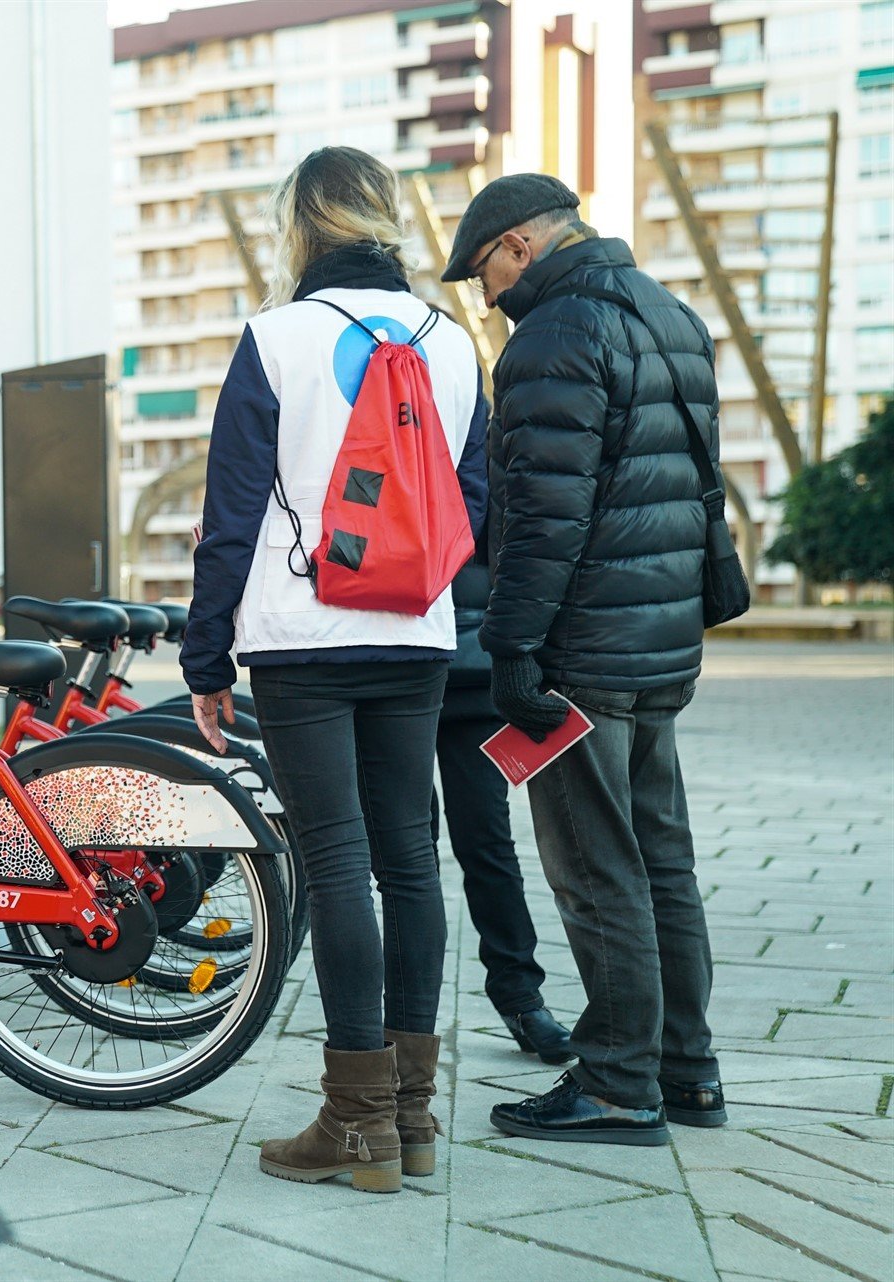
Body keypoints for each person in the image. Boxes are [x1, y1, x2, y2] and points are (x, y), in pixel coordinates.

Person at [185, 147, 488, 1194]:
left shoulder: (275, 339)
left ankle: (352, 1120)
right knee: (410, 858)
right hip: (417, 630)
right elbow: (474, 503)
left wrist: (204, 651)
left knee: (336, 861)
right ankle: (413, 1119)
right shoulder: (455, 343)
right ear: (387, 219)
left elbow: (230, 517)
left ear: (302, 225)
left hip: (300, 632)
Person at [442, 174, 725, 1145]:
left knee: (598, 868)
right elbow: (703, 489)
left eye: (484, 271)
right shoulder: (672, 317)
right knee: (663, 861)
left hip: (585, 654)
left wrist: (512, 648)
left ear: (520, 244)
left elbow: (542, 524)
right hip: (659, 644)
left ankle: (616, 1083)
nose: (486, 299)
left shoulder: (552, 342)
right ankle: (686, 1072)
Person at [434, 542, 574, 1065]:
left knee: (487, 842)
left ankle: (519, 996)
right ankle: (406, 1005)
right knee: (404, 853)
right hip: (394, 668)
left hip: (479, 671)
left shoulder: (500, 459)